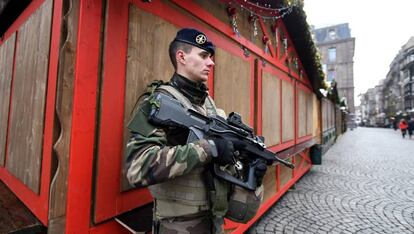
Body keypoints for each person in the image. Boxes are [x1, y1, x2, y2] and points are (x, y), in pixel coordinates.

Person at [125, 28, 267, 234]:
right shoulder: (157, 103)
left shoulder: (208, 105)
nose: (211, 63)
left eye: (211, 57)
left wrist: (248, 167)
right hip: (177, 225)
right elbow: (137, 169)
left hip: (214, 222)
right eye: (203, 55)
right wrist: (208, 149)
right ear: (181, 57)